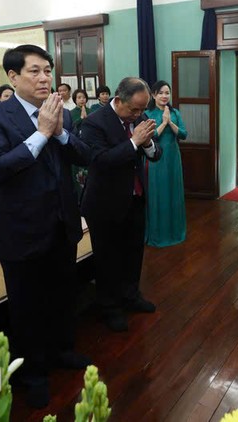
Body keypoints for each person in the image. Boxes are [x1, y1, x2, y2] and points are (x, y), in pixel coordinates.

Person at [0, 44, 92, 409]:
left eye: (47, 70)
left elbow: (83, 156)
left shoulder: (62, 113)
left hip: (61, 223)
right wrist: (41, 133)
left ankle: (61, 351)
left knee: (62, 295)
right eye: (34, 71)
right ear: (12, 76)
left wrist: (58, 132)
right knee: (27, 306)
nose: (45, 78)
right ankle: (33, 372)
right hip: (22, 229)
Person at [80, 77, 161, 332]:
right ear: (118, 99)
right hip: (105, 204)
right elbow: (101, 160)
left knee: (133, 252)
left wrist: (147, 143)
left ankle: (131, 296)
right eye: (134, 109)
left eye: (142, 109)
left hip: (135, 198)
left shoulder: (136, 118)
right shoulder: (94, 122)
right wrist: (135, 142)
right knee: (108, 258)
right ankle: (110, 307)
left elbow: (156, 155)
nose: (138, 114)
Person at [146, 80, 187, 247]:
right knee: (158, 193)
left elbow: (184, 134)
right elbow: (151, 137)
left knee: (173, 192)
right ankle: (157, 234)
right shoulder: (148, 114)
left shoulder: (175, 112)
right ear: (154, 95)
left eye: (167, 93)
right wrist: (163, 122)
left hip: (173, 157)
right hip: (156, 158)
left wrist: (170, 122)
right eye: (161, 93)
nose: (164, 96)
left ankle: (175, 231)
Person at [70, 88, 90, 200]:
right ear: (75, 100)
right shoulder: (70, 113)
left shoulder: (92, 111)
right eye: (79, 97)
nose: (82, 100)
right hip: (77, 147)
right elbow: (70, 129)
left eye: (83, 97)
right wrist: (81, 119)